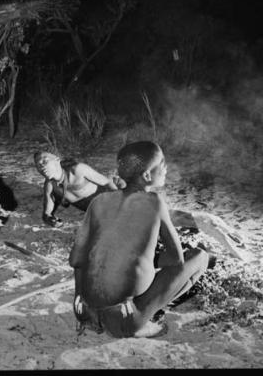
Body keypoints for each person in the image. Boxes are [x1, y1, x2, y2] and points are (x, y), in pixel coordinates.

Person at [69, 141, 210, 338]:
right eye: (162, 164)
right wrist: (154, 259)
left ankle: (95, 314)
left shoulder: (99, 202)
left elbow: (76, 259)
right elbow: (176, 261)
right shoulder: (154, 201)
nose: (166, 167)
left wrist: (82, 300)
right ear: (146, 176)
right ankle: (146, 319)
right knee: (199, 257)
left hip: (82, 309)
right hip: (124, 320)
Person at [34, 151, 122, 227]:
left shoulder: (78, 170)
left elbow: (107, 183)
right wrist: (50, 219)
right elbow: (47, 213)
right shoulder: (50, 185)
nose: (41, 166)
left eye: (45, 161)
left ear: (57, 160)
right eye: (38, 165)